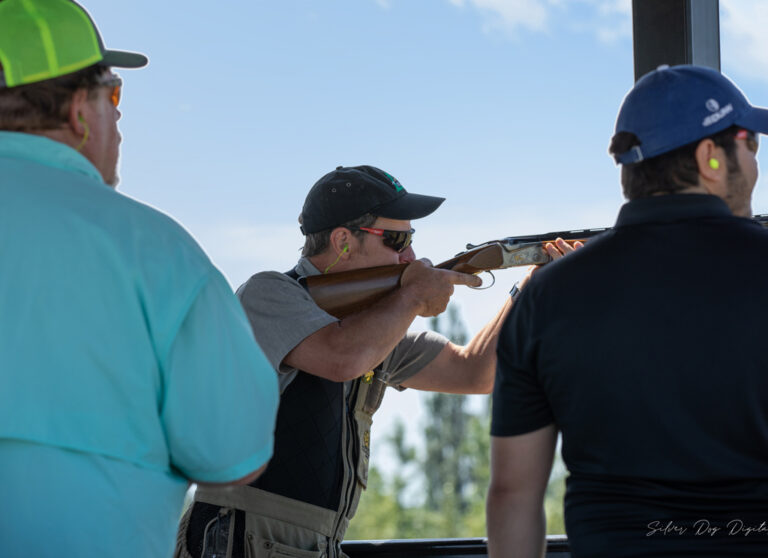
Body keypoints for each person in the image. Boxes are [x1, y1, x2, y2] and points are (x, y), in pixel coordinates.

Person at [175, 164, 577, 558]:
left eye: (410, 238)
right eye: (396, 241)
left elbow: (475, 371)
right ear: (343, 241)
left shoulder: (374, 324)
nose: (412, 256)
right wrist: (412, 298)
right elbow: (343, 358)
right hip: (245, 531)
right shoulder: (269, 293)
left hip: (313, 541)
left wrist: (534, 284)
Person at [0, 1, 279, 557]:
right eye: (115, 95)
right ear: (80, 110)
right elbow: (233, 455)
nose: (119, 118)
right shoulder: (158, 254)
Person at [487, 64, 768, 558]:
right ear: (711, 158)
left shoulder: (547, 296)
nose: (756, 159)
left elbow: (513, 493)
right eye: (749, 143)